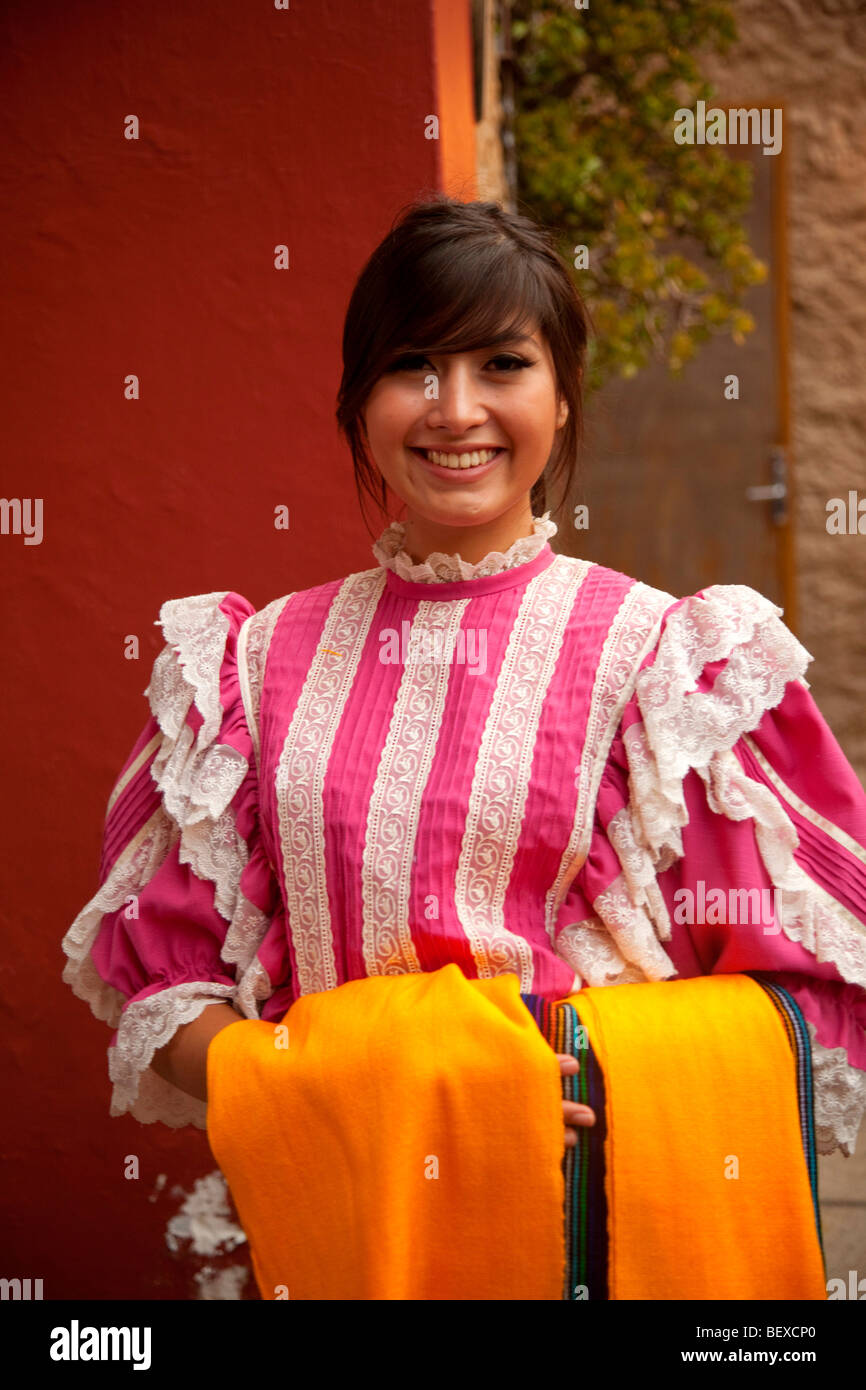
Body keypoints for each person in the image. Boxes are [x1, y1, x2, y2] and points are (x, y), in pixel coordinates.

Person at [62, 195, 866, 1173]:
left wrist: (597, 1080)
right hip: (347, 1207)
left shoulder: (666, 664)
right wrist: (350, 1084)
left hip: (597, 1211)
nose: (453, 409)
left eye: (501, 364)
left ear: (563, 395)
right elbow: (168, 992)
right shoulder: (248, 664)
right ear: (358, 403)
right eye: (411, 366)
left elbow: (804, 992)